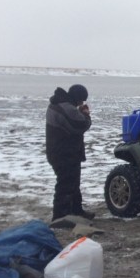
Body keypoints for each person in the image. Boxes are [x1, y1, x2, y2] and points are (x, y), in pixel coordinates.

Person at [45, 84, 94, 220]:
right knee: (65, 185)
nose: (82, 103)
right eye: (81, 100)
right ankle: (60, 216)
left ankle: (76, 211)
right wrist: (85, 115)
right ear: (77, 98)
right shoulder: (66, 108)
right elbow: (80, 125)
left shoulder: (57, 104)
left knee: (73, 183)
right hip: (64, 153)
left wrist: (78, 111)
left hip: (60, 152)